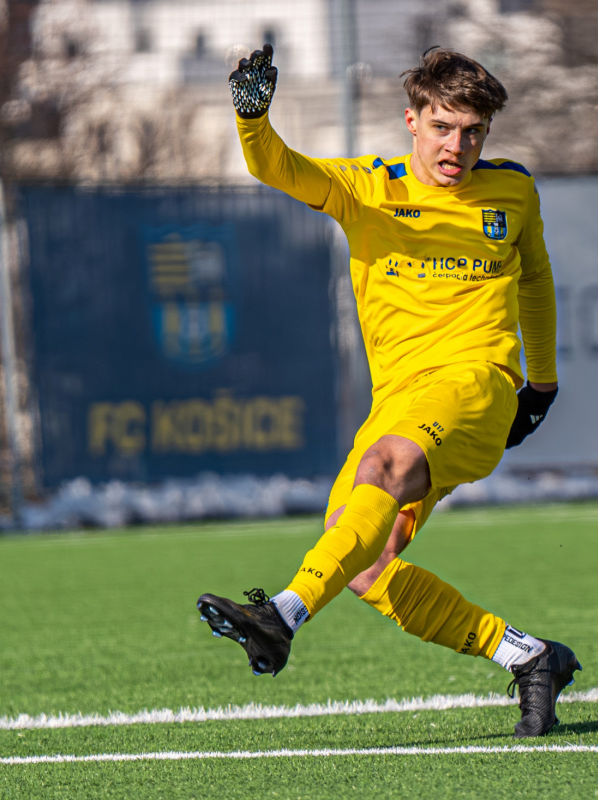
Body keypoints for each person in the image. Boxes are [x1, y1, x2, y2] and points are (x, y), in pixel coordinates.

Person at [197, 44, 581, 739]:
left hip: (475, 386)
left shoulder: (512, 194)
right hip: (400, 404)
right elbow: (272, 165)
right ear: (412, 120)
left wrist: (542, 383)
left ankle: (280, 615)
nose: (456, 147)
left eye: (472, 132)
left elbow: (534, 282)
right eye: (443, 127)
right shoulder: (368, 188)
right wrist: (252, 115)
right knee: (365, 564)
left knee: (383, 471)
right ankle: (527, 656)